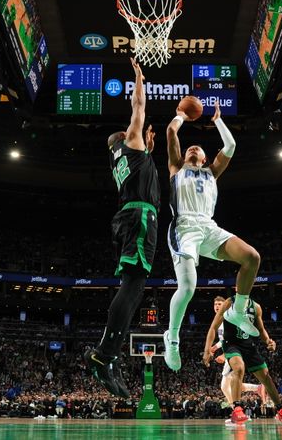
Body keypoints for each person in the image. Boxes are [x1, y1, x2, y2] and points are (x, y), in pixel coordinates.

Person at [164, 100, 261, 371]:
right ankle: (172, 338)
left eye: (198, 148)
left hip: (209, 227)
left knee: (252, 257)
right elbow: (171, 134)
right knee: (187, 288)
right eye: (189, 148)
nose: (193, 148)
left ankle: (238, 312)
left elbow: (230, 147)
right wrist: (180, 116)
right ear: (183, 156)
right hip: (184, 228)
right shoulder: (176, 169)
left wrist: (218, 120)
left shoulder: (212, 173)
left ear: (205, 158)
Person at [85, 57, 159, 398]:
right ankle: (104, 356)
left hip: (127, 217)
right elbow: (139, 105)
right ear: (126, 137)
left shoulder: (124, 158)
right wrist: (139, 78)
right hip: (140, 217)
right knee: (133, 286)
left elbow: (142, 168)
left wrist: (149, 148)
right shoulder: (131, 142)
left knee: (133, 286)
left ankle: (107, 355)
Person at [203, 295, 282, 426]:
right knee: (238, 369)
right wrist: (207, 350)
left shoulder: (256, 307)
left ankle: (281, 410)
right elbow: (213, 328)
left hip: (248, 345)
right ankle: (237, 409)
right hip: (231, 344)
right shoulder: (229, 303)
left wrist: (268, 341)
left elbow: (261, 330)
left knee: (266, 377)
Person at [208, 296, 265, 407]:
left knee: (225, 386)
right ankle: (256, 388)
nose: (217, 306)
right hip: (229, 352)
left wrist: (224, 355)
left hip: (233, 353)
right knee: (228, 384)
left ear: (226, 305)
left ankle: (236, 409)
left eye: (220, 304)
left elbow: (234, 340)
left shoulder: (229, 318)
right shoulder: (220, 319)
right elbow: (223, 339)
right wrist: (215, 347)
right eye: (215, 304)